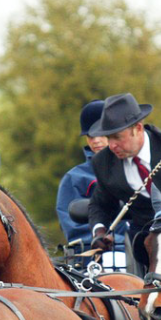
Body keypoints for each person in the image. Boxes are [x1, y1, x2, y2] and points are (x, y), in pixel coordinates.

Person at [87, 93, 161, 276]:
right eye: (108, 138)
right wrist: (100, 231)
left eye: (117, 137)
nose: (112, 145)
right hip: (147, 240)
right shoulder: (103, 162)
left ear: (138, 128)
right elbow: (100, 204)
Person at [56, 100, 107, 248]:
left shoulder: (134, 170)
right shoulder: (74, 178)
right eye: (90, 135)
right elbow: (73, 228)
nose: (96, 140)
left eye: (100, 133)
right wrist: (109, 239)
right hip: (96, 256)